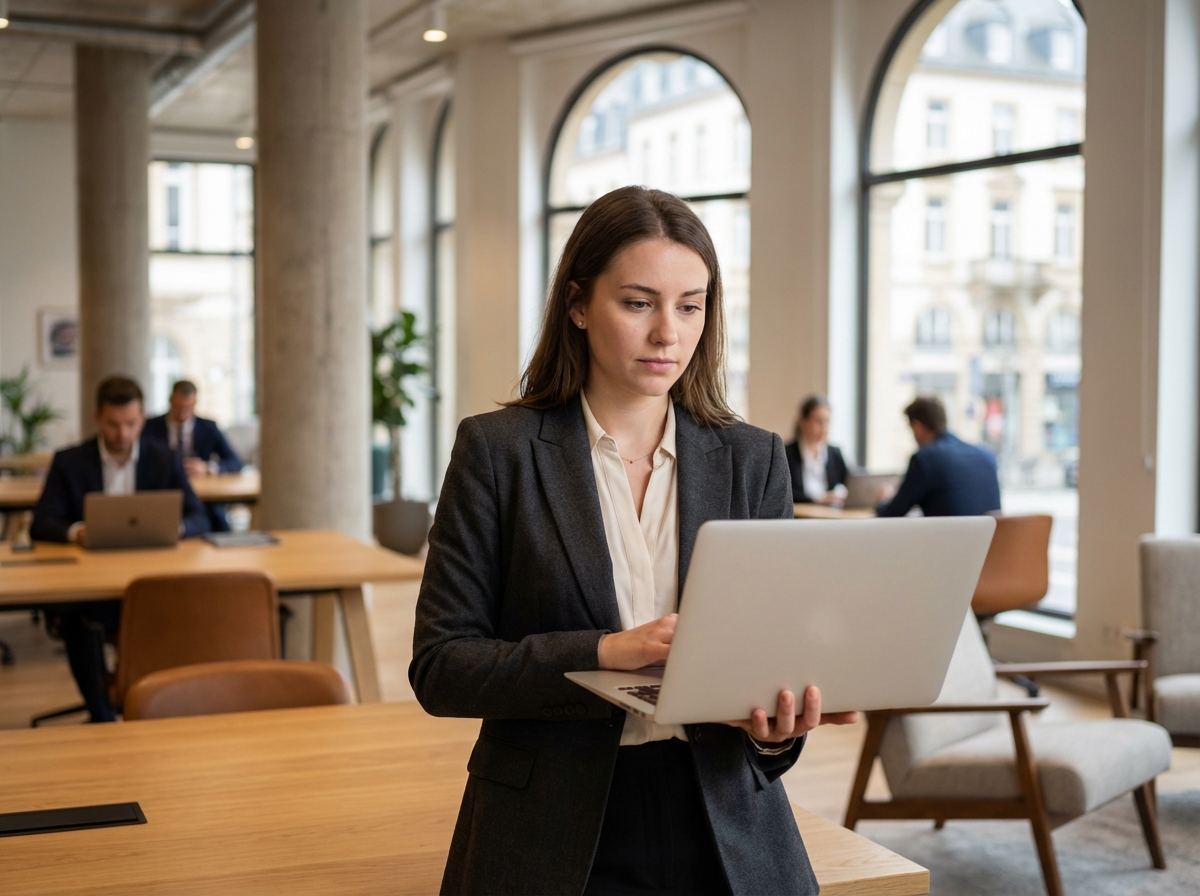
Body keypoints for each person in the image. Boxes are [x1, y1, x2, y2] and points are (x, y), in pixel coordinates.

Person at [410, 186, 855, 896]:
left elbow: (766, 679)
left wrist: (775, 728)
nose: (668, 335)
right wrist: (602, 653)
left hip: (725, 827)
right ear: (580, 305)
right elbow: (442, 667)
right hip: (550, 830)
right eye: (639, 303)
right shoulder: (498, 453)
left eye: (691, 305)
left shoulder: (754, 460)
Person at [30, 376, 209, 722]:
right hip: (88, 585)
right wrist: (76, 532)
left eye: (131, 423)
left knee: (178, 604)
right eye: (113, 424)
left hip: (150, 577)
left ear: (143, 417)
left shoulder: (162, 457)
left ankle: (151, 703)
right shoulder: (70, 461)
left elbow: (199, 514)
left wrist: (179, 528)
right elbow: (42, 522)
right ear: (97, 416)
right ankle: (101, 714)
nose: (123, 434)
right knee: (76, 614)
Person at [876, 395, 1001, 518]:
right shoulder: (987, 455)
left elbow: (892, 513)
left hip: (951, 538)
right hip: (996, 538)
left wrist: (882, 501)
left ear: (917, 426)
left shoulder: (924, 459)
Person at [142, 379, 243, 531]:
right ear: (170, 401)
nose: (182, 413)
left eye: (187, 408)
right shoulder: (150, 427)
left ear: (195, 403)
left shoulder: (208, 427)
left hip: (202, 498)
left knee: (218, 524)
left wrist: (208, 467)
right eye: (178, 407)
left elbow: (235, 461)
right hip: (162, 495)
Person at [784, 395, 849, 505]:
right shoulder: (786, 453)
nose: (824, 428)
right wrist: (818, 499)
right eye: (819, 422)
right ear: (803, 422)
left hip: (829, 514)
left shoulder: (834, 453)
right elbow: (785, 492)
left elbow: (850, 482)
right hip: (800, 515)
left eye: (827, 422)